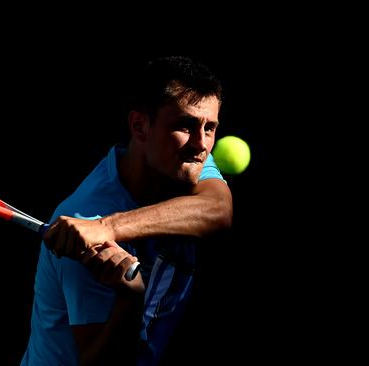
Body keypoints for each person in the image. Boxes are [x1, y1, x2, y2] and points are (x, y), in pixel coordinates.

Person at [21, 56, 233, 365]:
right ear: (139, 126)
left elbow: (219, 210)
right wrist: (129, 299)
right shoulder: (83, 221)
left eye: (210, 127)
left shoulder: (184, 160)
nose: (202, 144)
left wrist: (109, 227)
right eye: (185, 125)